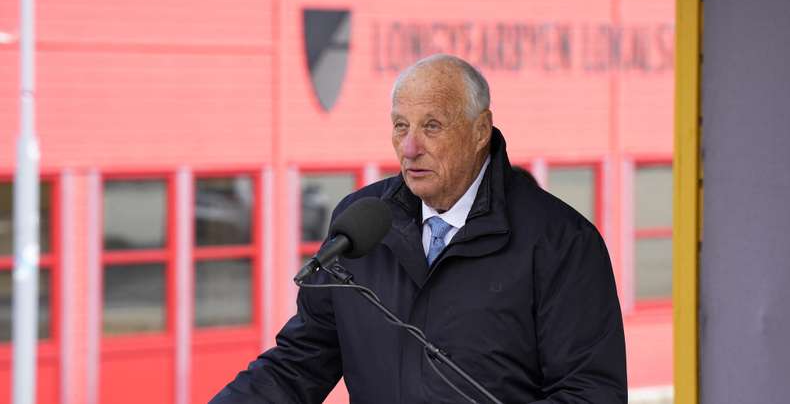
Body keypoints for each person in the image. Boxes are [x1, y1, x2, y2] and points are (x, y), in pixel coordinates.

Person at [210, 54, 627, 403]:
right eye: (400, 126)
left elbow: (590, 393)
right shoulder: (361, 222)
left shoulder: (561, 242)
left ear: (480, 130)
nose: (410, 148)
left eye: (432, 126)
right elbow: (298, 362)